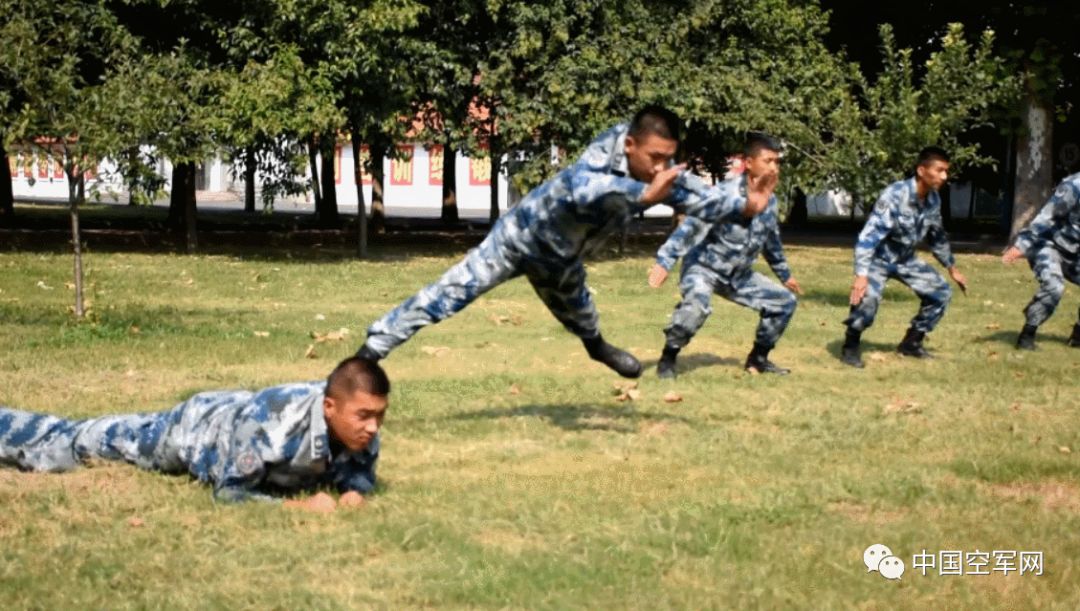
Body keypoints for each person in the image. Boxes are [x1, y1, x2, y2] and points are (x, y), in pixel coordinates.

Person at [356, 106, 772, 377]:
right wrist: (643, 196)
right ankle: (368, 354)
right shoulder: (603, 155)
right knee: (447, 293)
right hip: (518, 240)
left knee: (582, 316)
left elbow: (699, 196)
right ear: (630, 145)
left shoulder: (655, 174)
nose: (658, 166)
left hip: (562, 260)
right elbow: (581, 188)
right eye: (653, 157)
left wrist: (745, 206)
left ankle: (597, 348)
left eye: (667, 158)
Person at [0, 357, 388, 512]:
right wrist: (296, 507)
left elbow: (355, 474)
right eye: (364, 415)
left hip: (233, 410)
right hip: (193, 431)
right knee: (84, 441)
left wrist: (355, 491)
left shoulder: (363, 432)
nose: (372, 427)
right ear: (329, 408)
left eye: (379, 416)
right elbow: (229, 491)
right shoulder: (272, 427)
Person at [648, 134, 799, 377]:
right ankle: (668, 358)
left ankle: (758, 359)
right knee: (696, 307)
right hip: (704, 269)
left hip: (739, 275)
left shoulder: (770, 202)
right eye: (768, 160)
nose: (773, 167)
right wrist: (665, 261)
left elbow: (771, 242)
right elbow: (691, 227)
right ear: (749, 163)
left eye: (776, 162)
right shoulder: (723, 194)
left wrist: (785, 275)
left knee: (784, 303)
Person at [840, 146, 969, 368]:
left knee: (940, 292)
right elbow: (868, 237)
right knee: (867, 299)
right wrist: (861, 274)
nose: (944, 176)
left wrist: (951, 267)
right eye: (939, 170)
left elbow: (936, 236)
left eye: (946, 171)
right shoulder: (894, 195)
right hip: (878, 259)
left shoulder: (933, 200)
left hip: (905, 259)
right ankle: (850, 345)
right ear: (921, 170)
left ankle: (911, 343)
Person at [1002, 172, 1080, 349]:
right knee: (1054, 286)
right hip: (1048, 244)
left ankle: (1078, 336)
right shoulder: (1074, 186)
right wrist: (1021, 245)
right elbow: (1047, 216)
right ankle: (1027, 334)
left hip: (1075, 251)